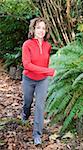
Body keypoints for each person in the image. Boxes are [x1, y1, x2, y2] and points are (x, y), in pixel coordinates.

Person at [21, 17, 56, 145]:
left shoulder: (48, 46)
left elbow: (45, 63)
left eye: (43, 28)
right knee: (27, 101)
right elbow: (27, 65)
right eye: (38, 27)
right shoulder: (27, 44)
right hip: (28, 79)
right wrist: (49, 71)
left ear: (46, 31)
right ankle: (25, 113)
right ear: (33, 29)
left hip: (42, 80)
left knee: (40, 106)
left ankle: (37, 134)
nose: (41, 30)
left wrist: (46, 73)